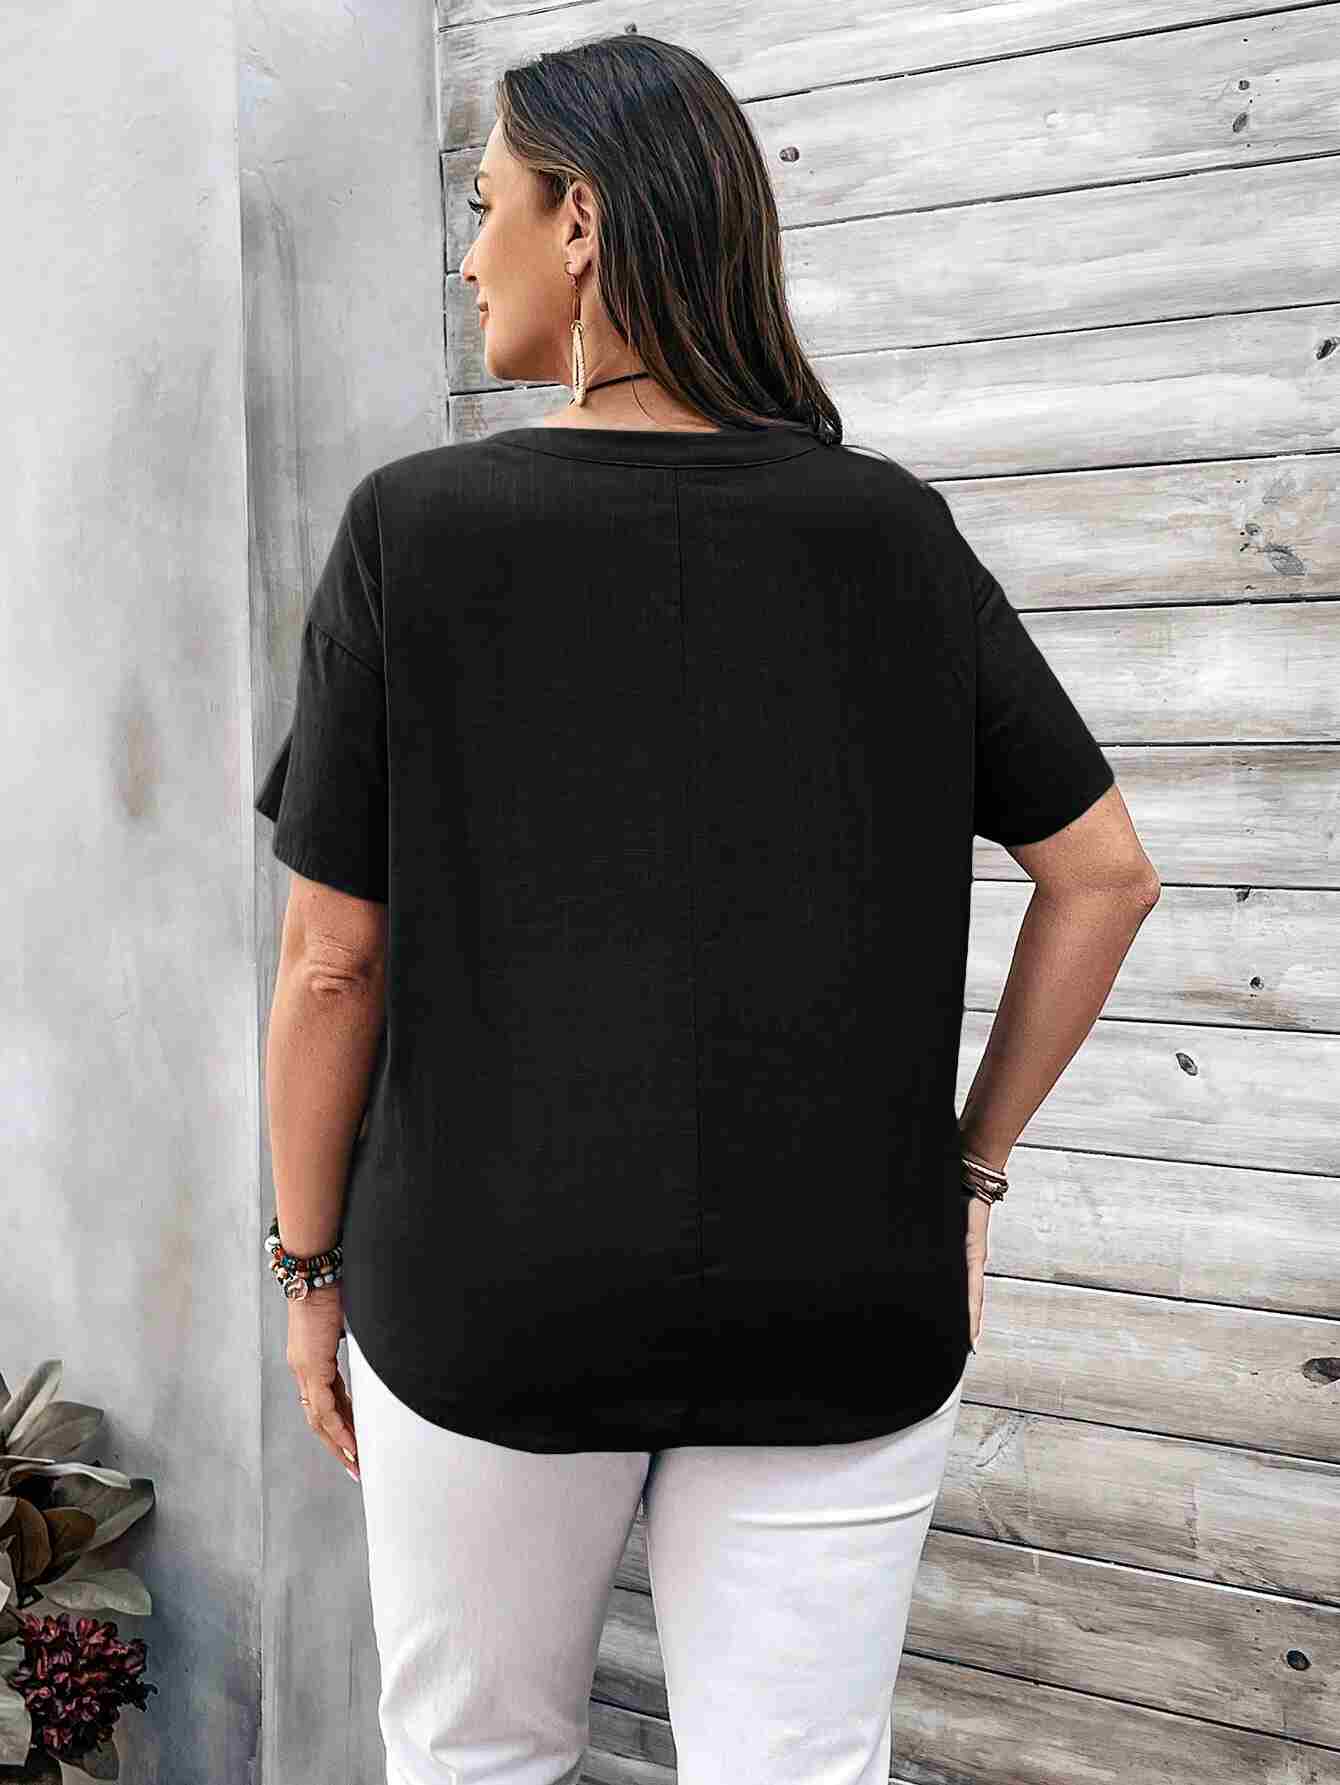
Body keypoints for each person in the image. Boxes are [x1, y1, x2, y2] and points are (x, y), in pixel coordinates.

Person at [254, 32, 1161, 1785]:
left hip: (485, 1291)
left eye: (487, 204)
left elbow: (330, 964)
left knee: (476, 1755)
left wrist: (305, 1269)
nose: (469, 256)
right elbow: (1105, 875)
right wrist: (968, 1171)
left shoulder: (415, 531)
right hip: (837, 1296)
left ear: (581, 222)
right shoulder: (893, 534)